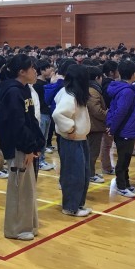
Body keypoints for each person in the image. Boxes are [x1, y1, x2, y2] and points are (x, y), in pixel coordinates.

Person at [0, 54, 44, 241]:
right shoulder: (12, 92)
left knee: (28, 188)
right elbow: (16, 125)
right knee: (18, 188)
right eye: (32, 68)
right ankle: (15, 229)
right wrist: (28, 148)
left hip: (27, 146)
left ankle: (28, 224)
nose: (35, 71)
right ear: (22, 72)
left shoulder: (24, 90)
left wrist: (37, 143)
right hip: (18, 147)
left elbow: (31, 121)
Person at [52, 64, 92, 217]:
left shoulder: (73, 93)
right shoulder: (69, 96)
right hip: (71, 141)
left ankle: (78, 204)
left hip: (80, 139)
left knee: (83, 173)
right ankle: (70, 207)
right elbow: (58, 114)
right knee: (73, 174)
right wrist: (70, 129)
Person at [105, 60, 135, 198]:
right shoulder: (127, 91)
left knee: (126, 159)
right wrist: (112, 128)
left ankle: (126, 183)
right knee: (123, 160)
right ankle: (121, 186)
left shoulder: (127, 89)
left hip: (127, 129)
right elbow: (120, 112)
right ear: (134, 74)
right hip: (124, 130)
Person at [86, 66, 107, 184]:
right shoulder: (92, 91)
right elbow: (96, 110)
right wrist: (107, 114)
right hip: (94, 127)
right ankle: (90, 174)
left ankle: (91, 172)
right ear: (97, 78)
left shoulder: (91, 89)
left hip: (93, 126)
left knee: (92, 152)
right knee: (92, 153)